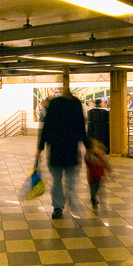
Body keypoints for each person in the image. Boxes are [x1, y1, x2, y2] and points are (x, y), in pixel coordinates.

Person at [37, 89, 91, 219]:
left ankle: (58, 206)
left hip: (56, 151)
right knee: (70, 181)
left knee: (57, 181)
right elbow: (81, 130)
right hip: (70, 151)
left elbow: (46, 128)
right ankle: (68, 202)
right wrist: (88, 146)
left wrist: (40, 148)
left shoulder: (55, 106)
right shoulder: (75, 105)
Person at [85, 139, 110, 208]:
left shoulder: (97, 155)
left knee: (97, 186)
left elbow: (105, 163)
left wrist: (107, 169)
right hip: (93, 175)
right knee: (94, 187)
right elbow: (89, 163)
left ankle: (94, 197)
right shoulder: (89, 156)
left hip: (98, 175)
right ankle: (93, 198)